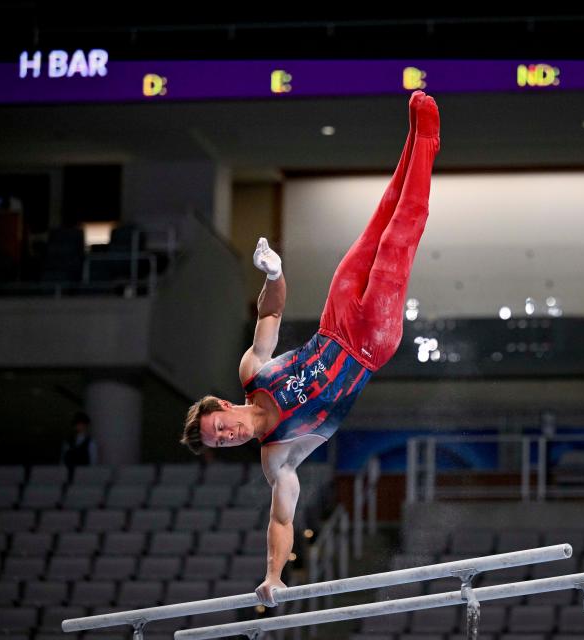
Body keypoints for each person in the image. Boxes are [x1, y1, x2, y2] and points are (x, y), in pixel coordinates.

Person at [180, 90, 440, 606]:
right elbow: (281, 517)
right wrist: (275, 576)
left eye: (219, 429)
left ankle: (411, 139)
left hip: (334, 319)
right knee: (398, 239)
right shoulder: (277, 459)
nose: (228, 437)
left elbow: (270, 313)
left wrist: (274, 274)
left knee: (380, 218)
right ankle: (429, 138)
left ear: (223, 406)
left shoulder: (254, 370)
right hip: (368, 345)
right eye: (221, 443)